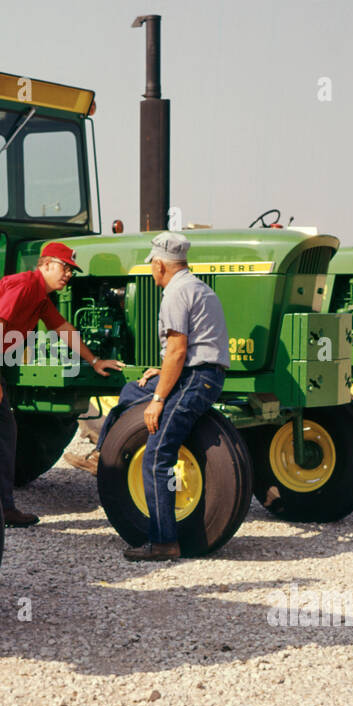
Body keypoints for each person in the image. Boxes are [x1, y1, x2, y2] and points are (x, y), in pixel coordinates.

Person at [0, 241, 124, 527]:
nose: (68, 275)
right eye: (65, 268)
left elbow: (64, 330)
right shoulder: (25, 286)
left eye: (71, 271)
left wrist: (95, 360)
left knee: (4, 430)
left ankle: (1, 509)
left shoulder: (40, 298)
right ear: (46, 264)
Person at [99, 232, 230, 561]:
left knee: (156, 457)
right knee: (131, 391)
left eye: (153, 267)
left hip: (196, 378)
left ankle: (163, 543)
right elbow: (185, 352)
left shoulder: (175, 293)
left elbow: (177, 350)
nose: (153, 273)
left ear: (159, 264)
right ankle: (103, 451)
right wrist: (161, 376)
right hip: (201, 374)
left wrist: (158, 400)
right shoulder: (200, 287)